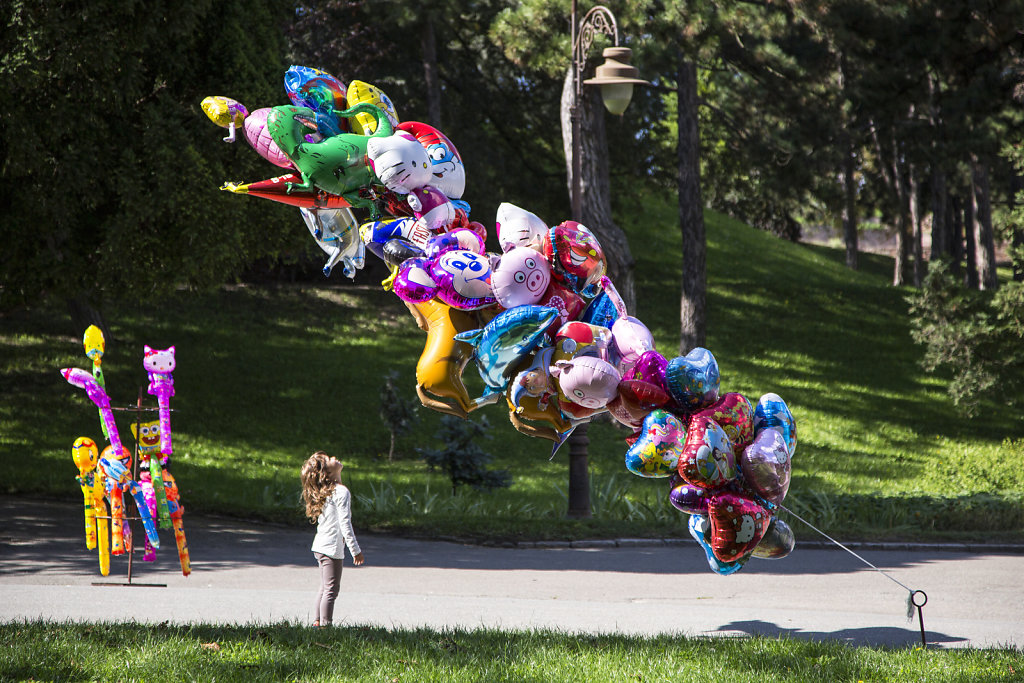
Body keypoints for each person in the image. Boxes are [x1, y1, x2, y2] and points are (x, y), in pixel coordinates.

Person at [300, 451, 365, 627]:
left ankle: (318, 622)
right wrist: (355, 550)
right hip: (330, 549)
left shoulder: (328, 492)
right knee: (331, 590)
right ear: (327, 473)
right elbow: (345, 524)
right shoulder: (341, 492)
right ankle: (326, 627)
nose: (334, 458)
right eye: (329, 460)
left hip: (320, 546)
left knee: (324, 587)